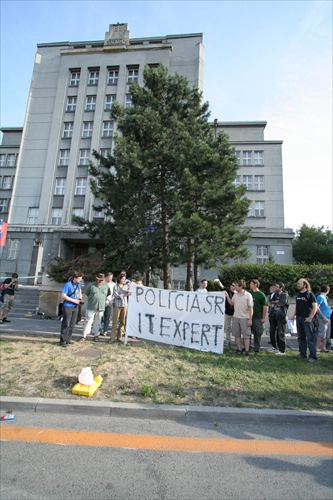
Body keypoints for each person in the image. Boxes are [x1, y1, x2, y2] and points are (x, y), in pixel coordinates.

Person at [292, 278, 318, 363]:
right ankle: (303, 353)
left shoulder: (310, 294)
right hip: (299, 318)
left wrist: (310, 318)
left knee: (310, 338)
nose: (298, 285)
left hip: (307, 319)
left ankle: (312, 356)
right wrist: (294, 315)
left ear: (305, 285)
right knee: (300, 337)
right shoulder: (299, 294)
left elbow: (315, 307)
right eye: (297, 284)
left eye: (299, 284)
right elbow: (297, 306)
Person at [225, 279, 253, 357]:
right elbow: (231, 303)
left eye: (237, 285)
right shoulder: (235, 294)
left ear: (241, 286)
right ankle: (239, 349)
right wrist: (227, 296)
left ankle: (247, 350)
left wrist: (250, 319)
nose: (235, 287)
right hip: (236, 317)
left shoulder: (248, 295)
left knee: (246, 335)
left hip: (245, 318)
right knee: (237, 334)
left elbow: (251, 308)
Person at [81, 273, 111, 342]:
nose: (100, 281)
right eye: (99, 280)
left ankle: (96, 336)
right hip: (91, 306)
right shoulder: (91, 285)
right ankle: (84, 336)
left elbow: (108, 294)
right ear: (97, 279)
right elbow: (87, 293)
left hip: (101, 307)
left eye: (102, 280)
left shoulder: (106, 286)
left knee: (98, 322)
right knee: (88, 321)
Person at [59, 272, 83, 347]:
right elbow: (63, 296)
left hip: (75, 306)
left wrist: (79, 298)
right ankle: (62, 340)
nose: (80, 280)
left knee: (72, 324)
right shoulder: (68, 284)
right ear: (75, 278)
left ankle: (68, 339)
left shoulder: (78, 285)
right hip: (68, 306)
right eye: (79, 279)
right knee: (66, 323)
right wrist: (73, 300)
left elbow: (79, 292)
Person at [267, 282, 289, 355]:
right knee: (272, 331)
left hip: (281, 316)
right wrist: (275, 302)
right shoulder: (275, 294)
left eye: (277, 287)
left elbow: (281, 303)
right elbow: (270, 302)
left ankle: (282, 350)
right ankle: (274, 346)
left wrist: (275, 302)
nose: (275, 288)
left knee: (281, 333)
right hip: (273, 315)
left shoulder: (284, 295)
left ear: (281, 288)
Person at [109, 273, 131, 343]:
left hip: (124, 305)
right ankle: (112, 338)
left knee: (122, 322)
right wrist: (125, 295)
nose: (124, 280)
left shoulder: (126, 286)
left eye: (125, 279)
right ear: (119, 279)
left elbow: (130, 292)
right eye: (123, 279)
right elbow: (116, 295)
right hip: (117, 305)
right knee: (115, 322)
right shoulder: (115, 286)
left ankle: (120, 337)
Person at [214, 279, 235, 347]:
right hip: (227, 312)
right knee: (227, 327)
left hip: (235, 313)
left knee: (236, 328)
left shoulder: (237, 294)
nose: (232, 286)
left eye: (234, 285)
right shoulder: (228, 291)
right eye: (231, 285)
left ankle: (237, 340)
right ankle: (228, 340)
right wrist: (218, 281)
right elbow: (222, 286)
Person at [249, 279, 267, 353]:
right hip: (249, 316)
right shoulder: (249, 293)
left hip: (257, 317)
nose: (250, 285)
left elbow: (264, 307)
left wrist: (263, 318)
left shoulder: (261, 295)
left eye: (251, 283)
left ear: (255, 285)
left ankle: (256, 347)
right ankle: (248, 346)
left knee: (257, 333)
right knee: (248, 332)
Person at [315, 285, 331, 353]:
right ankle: (317, 347)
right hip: (322, 318)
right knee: (321, 333)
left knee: (327, 333)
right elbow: (317, 308)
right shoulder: (320, 297)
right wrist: (323, 316)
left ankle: (323, 347)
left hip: (327, 317)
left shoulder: (325, 297)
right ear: (327, 290)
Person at [100, 272, 115, 337]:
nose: (110, 279)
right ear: (106, 277)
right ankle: (99, 330)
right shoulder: (102, 283)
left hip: (109, 302)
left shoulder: (113, 284)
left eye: (111, 277)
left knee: (107, 317)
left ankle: (105, 330)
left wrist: (112, 299)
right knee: (100, 316)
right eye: (109, 277)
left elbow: (114, 293)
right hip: (102, 301)